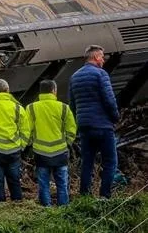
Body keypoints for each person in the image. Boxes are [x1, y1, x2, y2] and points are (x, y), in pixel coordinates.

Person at [69, 45, 120, 199]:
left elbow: (72, 104)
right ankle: (105, 196)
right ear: (96, 57)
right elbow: (109, 100)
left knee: (87, 162)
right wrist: (115, 117)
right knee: (110, 161)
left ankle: (85, 196)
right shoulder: (101, 74)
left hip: (85, 127)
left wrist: (81, 120)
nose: (103, 60)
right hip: (103, 126)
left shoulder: (74, 77)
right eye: (102, 57)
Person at [27, 80, 77, 206]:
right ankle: (63, 209)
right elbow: (71, 129)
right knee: (62, 183)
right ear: (54, 91)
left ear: (40, 92)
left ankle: (46, 209)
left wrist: (30, 144)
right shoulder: (63, 107)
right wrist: (67, 143)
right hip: (60, 152)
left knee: (43, 183)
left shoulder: (31, 108)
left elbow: (27, 130)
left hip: (40, 152)